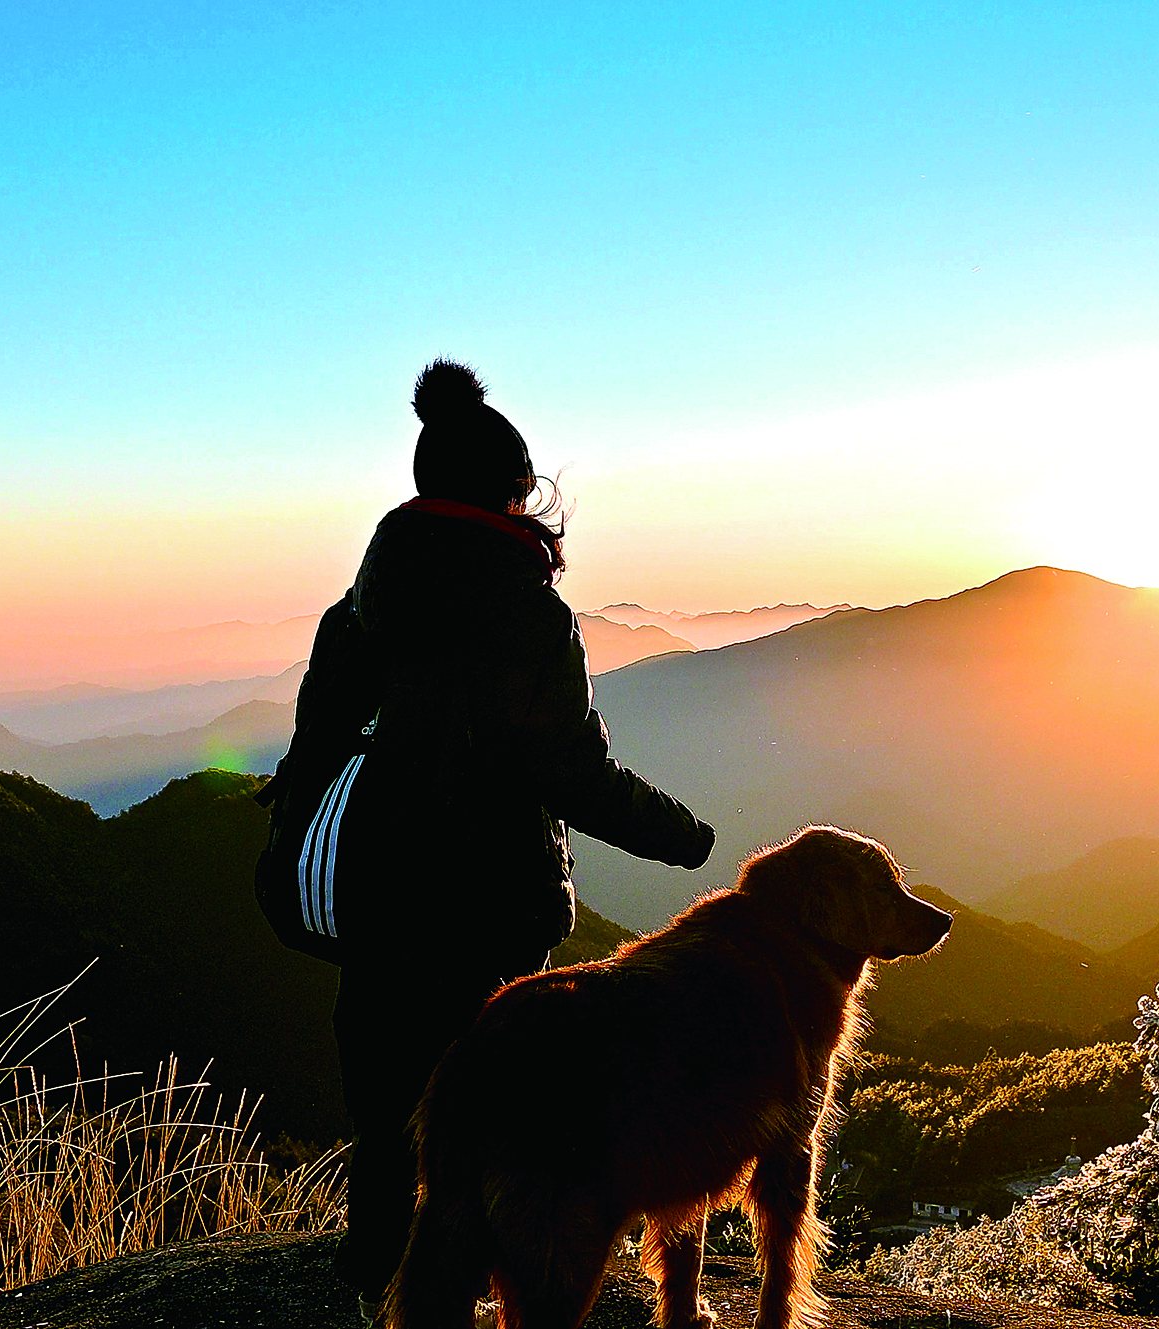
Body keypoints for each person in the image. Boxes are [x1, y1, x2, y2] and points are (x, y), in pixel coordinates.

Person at [278, 357, 716, 1311]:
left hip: (373, 894)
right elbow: (573, 774)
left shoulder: (357, 609)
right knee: (486, 1114)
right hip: (490, 906)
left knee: (387, 1096)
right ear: (514, 492)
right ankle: (465, 1290)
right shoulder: (529, 613)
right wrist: (687, 837)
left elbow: (314, 748)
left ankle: (371, 1273)